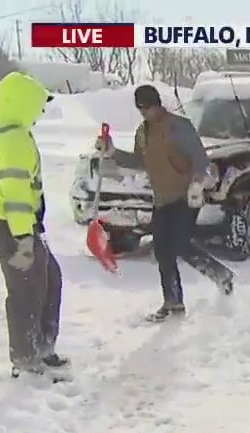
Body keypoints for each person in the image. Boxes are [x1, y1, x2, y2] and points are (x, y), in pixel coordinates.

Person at [98, 84, 234, 322]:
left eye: (147, 107)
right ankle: (173, 302)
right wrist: (112, 151)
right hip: (162, 199)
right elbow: (139, 161)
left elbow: (200, 159)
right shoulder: (143, 132)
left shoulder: (178, 126)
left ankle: (221, 275)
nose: (144, 113)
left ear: (157, 104)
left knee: (180, 244)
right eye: (140, 109)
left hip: (186, 195)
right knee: (162, 251)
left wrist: (197, 183)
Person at [0, 72, 67, 380]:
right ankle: (26, 359)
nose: (40, 111)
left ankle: (43, 347)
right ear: (22, 102)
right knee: (27, 289)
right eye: (38, 104)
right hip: (11, 224)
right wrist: (24, 239)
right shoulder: (12, 138)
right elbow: (15, 195)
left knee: (49, 278)